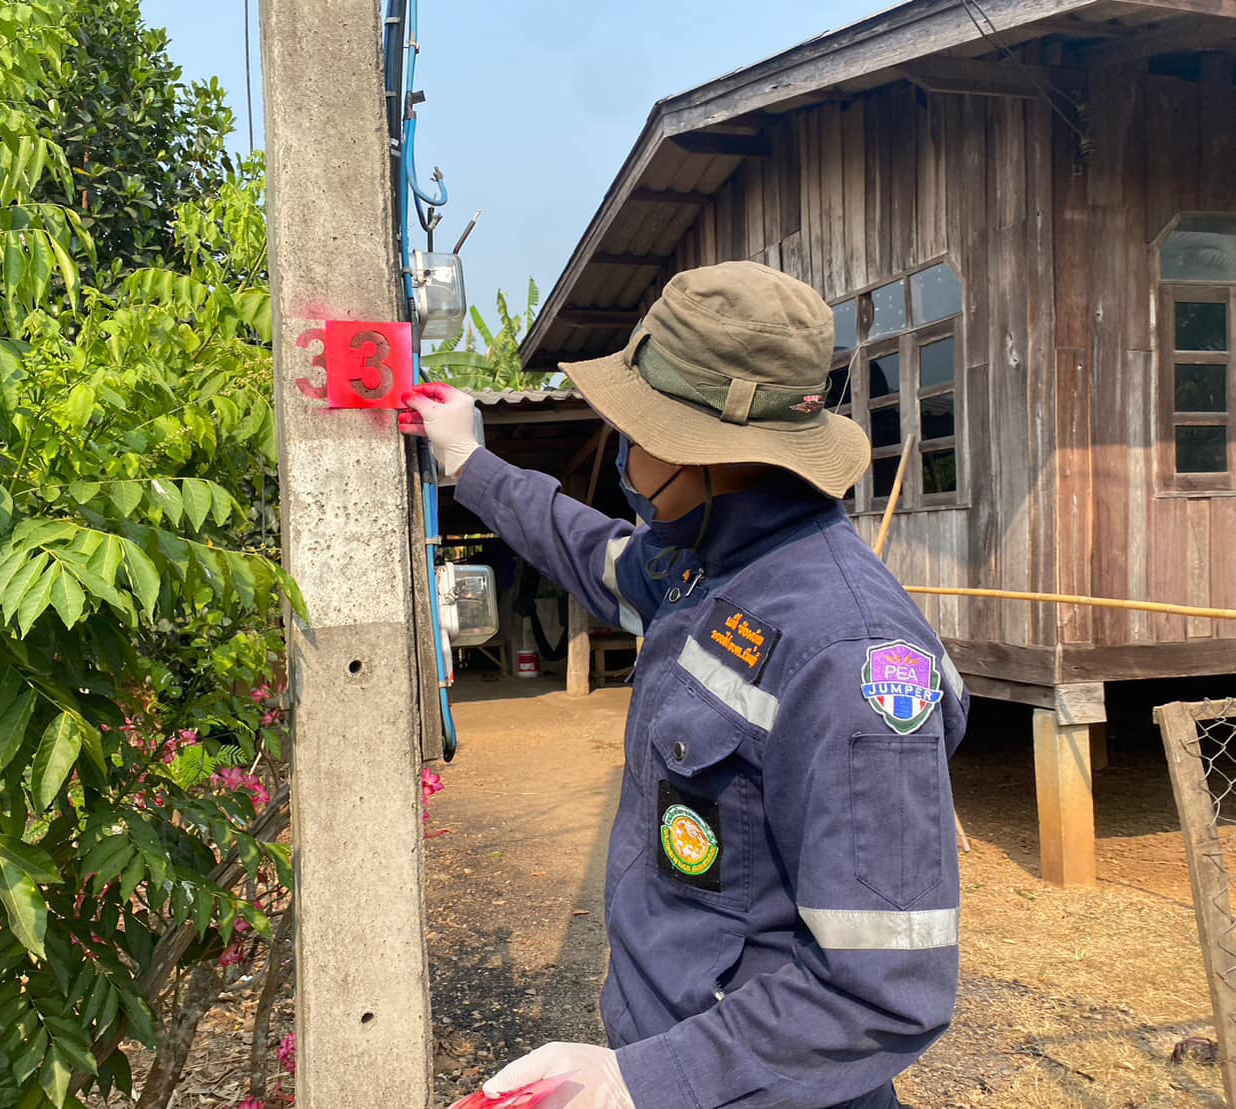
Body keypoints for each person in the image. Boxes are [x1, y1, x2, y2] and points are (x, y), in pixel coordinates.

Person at [400, 262, 968, 1109]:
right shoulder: (705, 559)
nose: (625, 450)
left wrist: (641, 1081)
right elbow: (593, 555)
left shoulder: (848, 654)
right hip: (686, 1052)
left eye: (638, 427)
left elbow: (882, 989)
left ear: (708, 445)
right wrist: (469, 462)